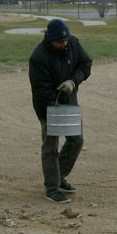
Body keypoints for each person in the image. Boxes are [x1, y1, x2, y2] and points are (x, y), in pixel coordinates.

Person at [29, 19, 92, 203]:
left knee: (76, 140)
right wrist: (58, 104)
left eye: (65, 40)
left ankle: (59, 177)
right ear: (50, 40)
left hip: (69, 100)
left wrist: (73, 81)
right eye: (60, 42)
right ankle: (52, 188)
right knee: (50, 145)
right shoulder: (38, 58)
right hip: (48, 106)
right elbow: (41, 90)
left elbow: (86, 64)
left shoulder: (73, 43)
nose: (64, 44)